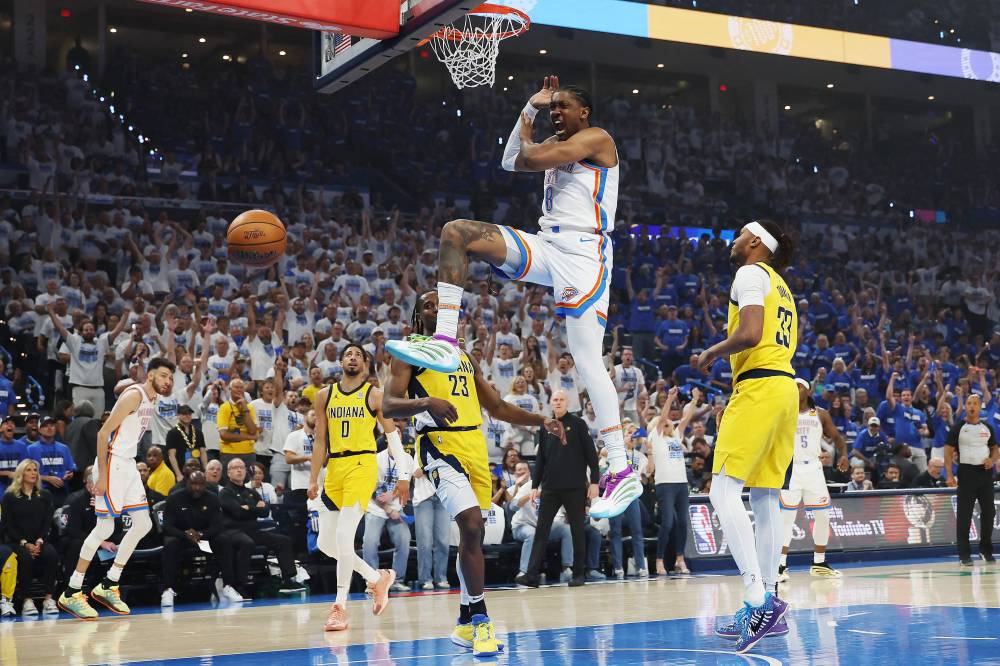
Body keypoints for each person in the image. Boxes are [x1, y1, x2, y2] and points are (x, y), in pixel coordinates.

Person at [385, 77, 641, 522]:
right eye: (553, 106)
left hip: (585, 255)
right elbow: (511, 161)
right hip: (548, 244)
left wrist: (532, 133)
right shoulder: (554, 137)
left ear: (584, 113)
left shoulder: (597, 139)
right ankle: (445, 339)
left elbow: (533, 156)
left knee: (586, 359)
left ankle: (620, 467)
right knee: (457, 233)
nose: (556, 111)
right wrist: (529, 106)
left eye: (563, 106)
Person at [383, 292, 565, 657]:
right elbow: (387, 404)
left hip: (475, 446)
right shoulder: (409, 351)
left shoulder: (463, 356)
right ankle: (482, 621)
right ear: (418, 317)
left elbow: (496, 406)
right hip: (438, 445)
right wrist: (425, 402)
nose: (438, 310)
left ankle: (465, 620)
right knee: (468, 524)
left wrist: (541, 420)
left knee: (474, 535)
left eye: (442, 305)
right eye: (429, 306)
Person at [698, 220, 797, 653]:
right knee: (765, 496)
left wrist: (712, 352)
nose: (733, 241)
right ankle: (769, 600)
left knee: (723, 490)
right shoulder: (783, 285)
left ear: (756, 242)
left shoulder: (749, 273)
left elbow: (751, 333)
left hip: (758, 387)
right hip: (786, 389)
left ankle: (758, 598)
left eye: (739, 235)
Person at [56, 357, 175, 621]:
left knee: (143, 524)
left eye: (171, 377)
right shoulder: (135, 395)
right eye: (164, 375)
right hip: (112, 462)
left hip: (129, 463)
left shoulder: (150, 396)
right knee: (105, 528)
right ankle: (72, 591)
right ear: (151, 374)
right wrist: (103, 478)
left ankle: (109, 584)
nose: (168, 381)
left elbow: (125, 388)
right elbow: (102, 434)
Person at [307, 344, 414, 633]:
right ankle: (376, 577)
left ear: (366, 364)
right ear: (340, 361)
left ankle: (340, 606)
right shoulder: (324, 395)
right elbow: (320, 441)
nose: (352, 357)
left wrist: (403, 475)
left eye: (358, 354)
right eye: (348, 353)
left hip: (361, 466)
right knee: (326, 544)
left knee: (344, 537)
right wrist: (313, 478)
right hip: (335, 470)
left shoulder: (374, 395)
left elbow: (392, 436)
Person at [516, 390, 599, 588]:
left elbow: (591, 456)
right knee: (541, 531)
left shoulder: (578, 424)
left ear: (567, 403)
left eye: (561, 399)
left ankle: (579, 574)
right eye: (555, 399)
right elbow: (541, 460)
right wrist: (535, 485)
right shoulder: (546, 426)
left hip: (575, 488)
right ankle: (531, 575)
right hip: (550, 489)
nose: (558, 402)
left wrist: (594, 482)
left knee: (578, 531)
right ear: (550, 403)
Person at [778, 379, 850, 582]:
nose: (794, 389)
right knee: (786, 519)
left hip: (814, 469)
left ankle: (819, 562)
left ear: (808, 391)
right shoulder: (782, 412)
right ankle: (780, 565)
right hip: (790, 469)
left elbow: (837, 438)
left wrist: (843, 455)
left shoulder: (820, 413)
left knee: (823, 516)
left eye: (798, 386)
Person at [219, 458, 304, 597]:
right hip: (233, 531)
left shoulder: (251, 492)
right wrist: (254, 508)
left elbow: (265, 511)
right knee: (247, 543)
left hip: (253, 530)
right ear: (228, 473)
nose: (239, 470)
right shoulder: (225, 493)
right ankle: (239, 584)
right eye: (235, 468)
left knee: (283, 540)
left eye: (241, 467)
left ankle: (288, 580)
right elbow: (237, 512)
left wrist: (249, 508)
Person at [160, 471, 238, 606]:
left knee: (223, 540)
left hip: (203, 541)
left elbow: (217, 526)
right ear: (187, 483)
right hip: (182, 540)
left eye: (201, 484)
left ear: (205, 484)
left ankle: (228, 586)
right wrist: (185, 534)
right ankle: (168, 590)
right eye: (194, 484)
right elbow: (167, 526)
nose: (197, 487)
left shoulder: (212, 498)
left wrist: (201, 534)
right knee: (170, 543)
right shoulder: (174, 498)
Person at [46, 302, 130, 416]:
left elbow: (116, 332)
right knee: (80, 419)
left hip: (98, 390)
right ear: (80, 332)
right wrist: (51, 312)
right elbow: (60, 328)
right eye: (86, 330)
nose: (89, 331)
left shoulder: (101, 343)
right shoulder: (74, 342)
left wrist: (125, 315)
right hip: (80, 388)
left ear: (94, 331)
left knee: (98, 421)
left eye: (91, 329)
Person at [647, 388, 696, 575]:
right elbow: (662, 418)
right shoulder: (656, 437)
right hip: (665, 484)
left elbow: (685, 420)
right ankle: (659, 561)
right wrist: (669, 398)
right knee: (667, 522)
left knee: (682, 522)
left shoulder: (675, 436)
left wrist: (694, 399)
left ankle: (680, 559)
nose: (669, 424)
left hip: (681, 484)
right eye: (666, 423)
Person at [944, 394, 997, 566]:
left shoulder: (987, 427)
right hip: (966, 473)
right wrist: (950, 475)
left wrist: (992, 460)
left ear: (980, 406)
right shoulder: (958, 428)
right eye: (969, 403)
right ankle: (964, 555)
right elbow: (948, 452)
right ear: (965, 406)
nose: (972, 406)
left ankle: (985, 550)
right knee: (964, 516)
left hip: (985, 474)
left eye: (975, 403)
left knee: (989, 513)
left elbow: (995, 449)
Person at [2, 459, 59, 615]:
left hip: (40, 540)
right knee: (25, 558)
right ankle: (27, 600)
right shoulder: (10, 497)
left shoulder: (45, 495)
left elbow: (48, 522)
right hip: (17, 541)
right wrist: (25, 543)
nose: (33, 473)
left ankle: (48, 598)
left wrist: (40, 540)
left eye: (35, 470)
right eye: (29, 470)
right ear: (21, 473)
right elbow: (8, 525)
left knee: (51, 554)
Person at [362, 445, 413, 592]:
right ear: (387, 438)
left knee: (404, 538)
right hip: (376, 507)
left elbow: (406, 485)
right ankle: (373, 581)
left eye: (398, 434)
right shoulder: (377, 459)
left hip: (396, 508)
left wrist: (393, 496)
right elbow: (370, 489)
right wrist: (387, 509)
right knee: (370, 541)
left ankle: (396, 580)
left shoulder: (407, 459)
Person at [26, 416, 76, 507]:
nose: (49, 428)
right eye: (45, 426)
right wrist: (48, 478)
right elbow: (25, 474)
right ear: (39, 430)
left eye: (52, 425)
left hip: (62, 493)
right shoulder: (31, 449)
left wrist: (69, 475)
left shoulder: (64, 448)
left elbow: (70, 469)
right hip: (39, 493)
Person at [216, 377, 258, 473]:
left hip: (249, 453)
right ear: (230, 390)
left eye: (241, 387)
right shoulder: (224, 407)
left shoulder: (249, 408)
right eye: (236, 387)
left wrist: (244, 409)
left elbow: (253, 430)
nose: (239, 390)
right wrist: (249, 437)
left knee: (249, 485)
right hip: (229, 453)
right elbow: (224, 435)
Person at [165, 405, 205, 480]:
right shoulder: (172, 433)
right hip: (182, 470)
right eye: (184, 414)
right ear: (178, 415)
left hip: (197, 470)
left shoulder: (198, 432)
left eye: (189, 414)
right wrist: (178, 474)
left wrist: (205, 470)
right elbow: (171, 455)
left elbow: (203, 452)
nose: (187, 416)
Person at [0, 416, 27, 493]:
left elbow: (26, 468)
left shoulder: (22, 446)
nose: (10, 425)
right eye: (6, 423)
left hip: (18, 487)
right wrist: (7, 473)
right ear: (0, 429)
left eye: (12, 423)